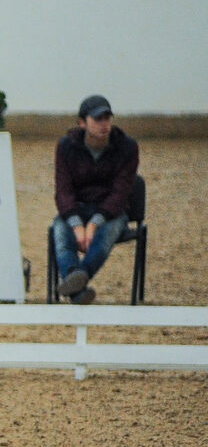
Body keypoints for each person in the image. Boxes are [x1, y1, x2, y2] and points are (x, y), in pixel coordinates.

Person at [53, 94, 139, 305]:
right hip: (77, 208)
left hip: (111, 212)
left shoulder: (127, 147)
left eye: (107, 118)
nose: (104, 124)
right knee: (61, 232)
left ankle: (78, 278)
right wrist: (76, 224)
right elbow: (63, 191)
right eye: (97, 119)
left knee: (105, 236)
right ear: (82, 122)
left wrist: (93, 223)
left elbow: (121, 192)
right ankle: (77, 289)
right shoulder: (65, 147)